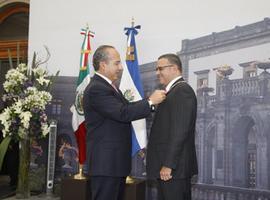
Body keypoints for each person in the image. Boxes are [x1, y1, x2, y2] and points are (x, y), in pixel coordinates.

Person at [83, 45, 166, 200]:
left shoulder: (109, 87)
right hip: (106, 164)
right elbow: (122, 113)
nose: (121, 67)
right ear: (103, 65)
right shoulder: (97, 88)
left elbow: (125, 108)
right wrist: (149, 102)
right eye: (117, 63)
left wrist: (151, 104)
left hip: (113, 164)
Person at [146, 53, 198, 200]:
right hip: (170, 169)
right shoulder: (172, 92)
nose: (157, 73)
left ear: (174, 68)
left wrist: (168, 164)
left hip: (174, 170)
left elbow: (180, 132)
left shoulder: (182, 91)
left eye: (160, 68)